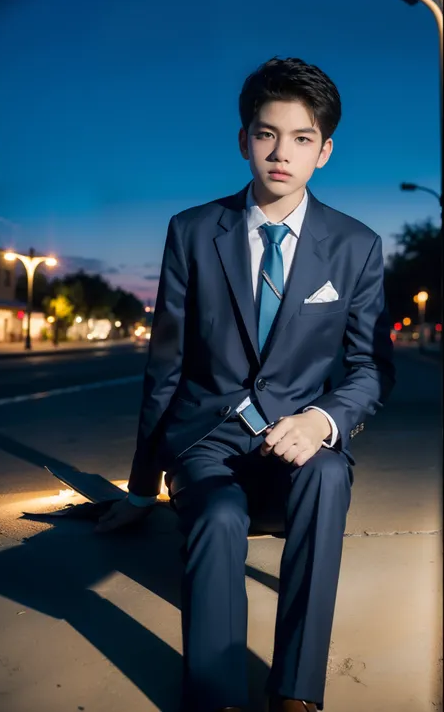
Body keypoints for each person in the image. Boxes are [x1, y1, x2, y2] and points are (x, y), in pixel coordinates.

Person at [96, 57, 395, 712]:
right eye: (266, 134)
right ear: (243, 140)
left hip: (298, 445)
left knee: (329, 474)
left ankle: (296, 691)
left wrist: (322, 421)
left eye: (301, 138)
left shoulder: (356, 247)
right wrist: (142, 490)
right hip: (208, 442)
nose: (281, 153)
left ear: (325, 151)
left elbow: (372, 367)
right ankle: (216, 697)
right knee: (222, 517)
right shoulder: (194, 231)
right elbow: (165, 368)